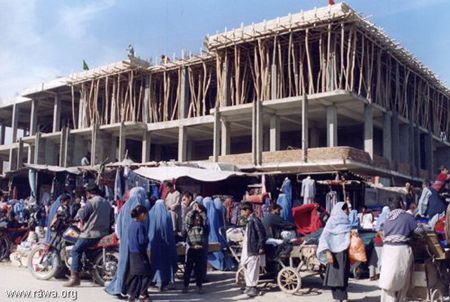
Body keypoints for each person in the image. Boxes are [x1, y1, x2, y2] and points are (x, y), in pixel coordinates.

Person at [64, 184, 112, 287]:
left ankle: (74, 278)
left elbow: (82, 216)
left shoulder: (91, 202)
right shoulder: (107, 203)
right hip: (103, 234)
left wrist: (81, 209)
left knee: (76, 250)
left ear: (89, 193)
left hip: (90, 234)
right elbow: (111, 219)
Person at [106, 187, 149, 297]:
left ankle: (119, 288)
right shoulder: (140, 208)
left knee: (124, 265)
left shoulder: (124, 207)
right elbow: (145, 227)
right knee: (135, 269)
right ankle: (133, 291)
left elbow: (118, 225)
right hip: (136, 244)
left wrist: (121, 238)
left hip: (125, 241)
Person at [379, 198, 419, 302]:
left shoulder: (388, 219)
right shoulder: (407, 217)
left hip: (387, 251)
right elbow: (418, 231)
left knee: (388, 280)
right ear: (401, 204)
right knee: (402, 279)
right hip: (400, 251)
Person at [317, 202, 351, 302]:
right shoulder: (331, 222)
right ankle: (338, 298)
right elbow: (324, 238)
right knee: (335, 277)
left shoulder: (346, 222)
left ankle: (343, 298)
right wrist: (327, 252)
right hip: (333, 254)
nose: (347, 211)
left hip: (344, 253)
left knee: (343, 276)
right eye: (345, 209)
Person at [147, 199, 178, 291]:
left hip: (154, 244)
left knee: (155, 262)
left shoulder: (150, 214)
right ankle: (165, 281)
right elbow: (170, 232)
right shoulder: (167, 215)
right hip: (166, 245)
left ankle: (155, 281)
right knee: (165, 262)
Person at [240, 202, 267, 298]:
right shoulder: (250, 220)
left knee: (253, 268)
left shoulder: (255, 220)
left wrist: (261, 247)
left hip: (253, 248)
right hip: (249, 248)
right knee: (248, 267)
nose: (241, 213)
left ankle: (253, 287)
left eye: (242, 211)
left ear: (247, 210)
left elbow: (261, 234)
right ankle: (249, 286)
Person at [182, 202, 209, 294]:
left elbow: (206, 221)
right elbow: (187, 219)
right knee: (188, 269)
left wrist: (201, 212)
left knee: (199, 270)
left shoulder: (202, 227)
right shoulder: (190, 228)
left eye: (199, 219)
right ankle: (185, 286)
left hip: (200, 250)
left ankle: (199, 286)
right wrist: (193, 210)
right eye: (196, 219)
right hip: (192, 249)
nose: (197, 220)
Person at [127, 205, 151, 302]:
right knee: (147, 274)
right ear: (141, 215)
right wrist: (147, 240)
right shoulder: (141, 225)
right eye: (145, 215)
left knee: (137, 275)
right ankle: (142, 293)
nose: (145, 217)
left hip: (132, 252)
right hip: (139, 253)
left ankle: (132, 296)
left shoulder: (131, 224)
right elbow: (142, 241)